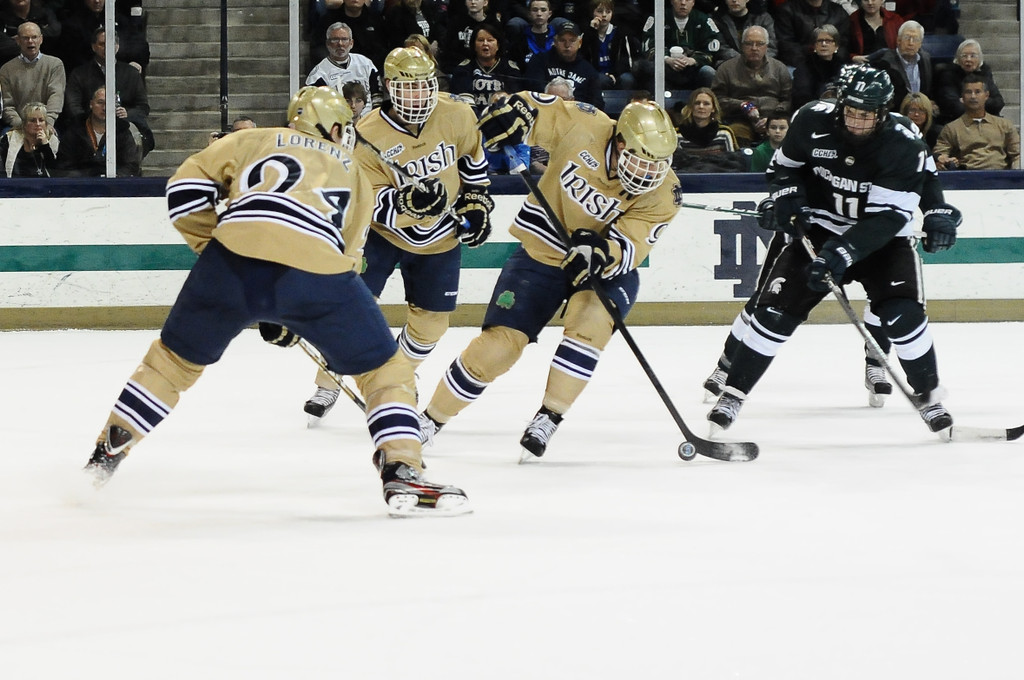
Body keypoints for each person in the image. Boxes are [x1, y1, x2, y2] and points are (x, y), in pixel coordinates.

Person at [82, 85, 470, 517]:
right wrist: (295, 310)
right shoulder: (353, 169)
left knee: (169, 365)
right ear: (337, 127)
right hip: (317, 273)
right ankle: (402, 468)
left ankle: (104, 457)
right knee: (384, 370)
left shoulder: (254, 138)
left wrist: (220, 253)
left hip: (228, 264)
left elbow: (183, 193)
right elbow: (349, 256)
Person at [416, 94, 681, 460]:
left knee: (588, 327)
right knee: (498, 347)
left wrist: (599, 253)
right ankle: (430, 419)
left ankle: (549, 416)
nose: (649, 175)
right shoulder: (585, 124)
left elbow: (630, 245)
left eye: (658, 166)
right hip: (542, 253)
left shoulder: (666, 193)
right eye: (641, 162)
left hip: (603, 273)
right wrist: (515, 114)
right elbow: (536, 109)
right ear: (619, 142)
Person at [705, 65, 960, 437]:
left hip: (881, 240)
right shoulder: (811, 120)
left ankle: (931, 396)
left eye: (867, 115)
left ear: (883, 112)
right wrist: (786, 199)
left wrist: (842, 252)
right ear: (841, 104)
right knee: (773, 313)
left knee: (903, 314)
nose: (857, 123)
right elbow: (784, 169)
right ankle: (733, 393)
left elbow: (888, 217)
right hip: (820, 231)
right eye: (852, 112)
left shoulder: (903, 142)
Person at [301, 47, 492, 423]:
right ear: (389, 87)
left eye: (425, 87)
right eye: (408, 88)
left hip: (440, 236)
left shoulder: (457, 113)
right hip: (381, 236)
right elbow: (370, 203)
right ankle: (328, 381)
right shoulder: (366, 133)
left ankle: (396, 375)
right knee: (353, 308)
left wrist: (476, 202)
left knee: (433, 323)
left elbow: (473, 164)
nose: (419, 96)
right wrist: (407, 203)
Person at [62, 27, 152, 156]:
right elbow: (73, 106)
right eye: (102, 44)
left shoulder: (131, 73)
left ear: (117, 46)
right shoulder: (79, 74)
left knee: (136, 138)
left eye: (111, 44)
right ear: (94, 47)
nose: (107, 48)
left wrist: (128, 113)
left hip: (124, 125)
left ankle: (130, 171)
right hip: (87, 125)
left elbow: (143, 107)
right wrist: (92, 118)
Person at [711, 24, 792, 147]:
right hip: (740, 119)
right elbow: (716, 99)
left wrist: (772, 118)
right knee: (735, 133)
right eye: (749, 44)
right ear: (742, 46)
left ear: (766, 46)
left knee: (786, 134)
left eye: (759, 44)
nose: (754, 48)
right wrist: (742, 105)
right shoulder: (726, 68)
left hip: (774, 120)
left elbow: (788, 99)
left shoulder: (779, 68)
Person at [934, 75, 1020, 171]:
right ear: (962, 96)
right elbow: (940, 154)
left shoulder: (1005, 125)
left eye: (978, 92)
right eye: (968, 92)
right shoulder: (951, 128)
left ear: (986, 95)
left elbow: (1017, 154)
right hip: (967, 179)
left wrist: (1016, 174)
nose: (973, 96)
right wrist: (943, 160)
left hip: (1001, 178)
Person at [637, 0, 720, 93]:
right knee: (650, 69)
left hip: (694, 70)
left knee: (708, 72)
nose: (683, 3)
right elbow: (648, 44)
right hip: (665, 69)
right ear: (671, 1)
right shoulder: (657, 18)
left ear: (693, 2)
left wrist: (694, 60)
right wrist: (666, 58)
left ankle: (706, 103)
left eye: (687, 0)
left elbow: (712, 46)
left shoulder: (704, 20)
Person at [54, 85, 138, 176]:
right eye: (100, 102)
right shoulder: (75, 129)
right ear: (91, 104)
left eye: (109, 103)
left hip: (112, 185)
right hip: (81, 185)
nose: (105, 108)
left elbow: (131, 164)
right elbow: (63, 164)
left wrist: (116, 177)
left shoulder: (122, 131)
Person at [524, 20, 603, 109]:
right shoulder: (539, 61)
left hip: (576, 116)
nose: (567, 45)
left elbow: (597, 104)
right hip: (545, 111)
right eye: (562, 40)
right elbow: (532, 91)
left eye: (572, 40)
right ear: (555, 42)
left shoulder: (588, 70)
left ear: (580, 43)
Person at [0, 21, 63, 130]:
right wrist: (22, 125)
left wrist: (47, 122)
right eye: (25, 38)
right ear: (18, 40)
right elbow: (7, 105)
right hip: (18, 125)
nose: (30, 41)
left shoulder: (55, 64)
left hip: (46, 124)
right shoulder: (6, 69)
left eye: (34, 37)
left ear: (41, 39)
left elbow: (56, 96)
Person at [57, 0, 149, 75]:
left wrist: (136, 61)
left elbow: (138, 44)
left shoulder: (120, 20)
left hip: (121, 74)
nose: (97, 1)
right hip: (88, 77)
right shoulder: (73, 25)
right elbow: (74, 57)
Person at [449, 23, 525, 112]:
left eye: (490, 40)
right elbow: (463, 102)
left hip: (502, 118)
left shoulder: (510, 68)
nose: (485, 43)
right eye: (480, 40)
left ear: (498, 45)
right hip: (471, 118)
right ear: (474, 45)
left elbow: (516, 100)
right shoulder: (464, 68)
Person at [305, 22, 383, 108]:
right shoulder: (318, 75)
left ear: (351, 43)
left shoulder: (365, 64)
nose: (340, 44)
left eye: (344, 39)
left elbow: (377, 96)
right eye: (335, 39)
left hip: (368, 118)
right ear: (327, 44)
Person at [863, 20, 933, 111]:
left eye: (915, 39)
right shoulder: (884, 63)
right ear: (898, 40)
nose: (911, 43)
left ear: (920, 44)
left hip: (920, 113)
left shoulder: (925, 59)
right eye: (907, 38)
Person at [932, 39, 1004, 125]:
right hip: (958, 122)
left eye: (973, 56)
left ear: (979, 58)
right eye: (964, 56)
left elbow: (999, 103)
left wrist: (969, 101)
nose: (968, 59)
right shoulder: (948, 74)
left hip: (985, 121)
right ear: (958, 58)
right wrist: (982, 100)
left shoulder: (985, 72)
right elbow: (953, 106)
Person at [580, 0, 638, 90]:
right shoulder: (587, 34)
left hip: (617, 73)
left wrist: (613, 74)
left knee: (627, 79)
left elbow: (626, 60)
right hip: (597, 74)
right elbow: (583, 58)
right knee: (601, 79)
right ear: (592, 13)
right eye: (599, 11)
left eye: (608, 12)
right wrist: (591, 31)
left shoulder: (620, 33)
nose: (604, 15)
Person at [773, 0, 850, 68]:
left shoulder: (838, 12)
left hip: (831, 65)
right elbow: (787, 46)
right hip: (799, 65)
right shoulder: (787, 10)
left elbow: (843, 44)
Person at [791, 24, 846, 109]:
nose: (824, 44)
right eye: (820, 41)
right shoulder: (805, 66)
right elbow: (801, 97)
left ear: (836, 46)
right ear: (814, 46)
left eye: (828, 41)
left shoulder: (843, 67)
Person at [712, 0, 778, 67]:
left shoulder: (763, 18)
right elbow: (721, 48)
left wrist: (756, 60)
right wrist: (743, 60)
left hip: (760, 64)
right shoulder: (717, 20)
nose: (734, 0)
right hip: (730, 64)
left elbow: (771, 47)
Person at [0, 99, 57, 176]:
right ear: (24, 124)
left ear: (46, 124)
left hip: (45, 186)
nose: (37, 124)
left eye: (41, 120)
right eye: (32, 120)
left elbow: (56, 172)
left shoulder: (52, 140)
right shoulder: (10, 139)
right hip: (15, 185)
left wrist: (45, 145)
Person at [509, 0, 556, 66]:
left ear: (550, 14)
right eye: (535, 10)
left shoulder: (557, 38)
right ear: (529, 14)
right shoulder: (520, 39)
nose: (539, 14)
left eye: (543, 10)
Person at [748, 106, 787, 172]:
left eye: (782, 128)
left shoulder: (795, 150)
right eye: (773, 127)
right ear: (767, 131)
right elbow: (755, 178)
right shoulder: (760, 152)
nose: (777, 131)